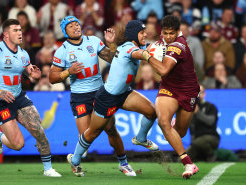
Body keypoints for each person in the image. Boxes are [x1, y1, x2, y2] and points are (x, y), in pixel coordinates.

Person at [65, 19, 159, 177]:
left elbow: (148, 47)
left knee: (151, 111)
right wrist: (148, 54)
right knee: (92, 133)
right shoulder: (130, 48)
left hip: (124, 93)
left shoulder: (134, 45)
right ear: (133, 35)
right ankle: (75, 160)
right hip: (107, 98)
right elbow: (138, 53)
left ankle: (140, 139)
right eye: (142, 33)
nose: (145, 35)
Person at [49, 16, 137, 177]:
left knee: (111, 129)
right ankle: (76, 160)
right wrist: (69, 71)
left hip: (100, 93)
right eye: (71, 26)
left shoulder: (94, 41)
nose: (76, 27)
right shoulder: (62, 51)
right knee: (87, 138)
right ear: (65, 32)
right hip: (79, 97)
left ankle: (123, 163)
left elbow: (113, 58)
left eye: (77, 24)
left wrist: (111, 43)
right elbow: (52, 78)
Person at [0, 19, 61, 177]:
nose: (20, 33)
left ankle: (48, 169)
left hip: (19, 98)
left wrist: (34, 76)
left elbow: (29, 73)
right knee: (18, 144)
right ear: (6, 34)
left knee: (39, 130)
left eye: (20, 30)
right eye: (15, 30)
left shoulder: (23, 53)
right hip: (0, 102)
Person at [136, 15, 200, 179]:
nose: (169, 37)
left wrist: (147, 56)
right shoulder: (162, 41)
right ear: (161, 32)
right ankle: (188, 163)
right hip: (169, 88)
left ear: (178, 32)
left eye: (172, 33)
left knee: (180, 132)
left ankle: (172, 127)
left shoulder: (178, 45)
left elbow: (163, 70)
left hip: (188, 90)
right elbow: (149, 46)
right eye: (166, 33)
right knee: (163, 122)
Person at [187, 85, 220, 162]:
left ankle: (210, 154)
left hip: (211, 137)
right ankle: (200, 158)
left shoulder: (211, 106)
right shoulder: (190, 108)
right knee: (183, 159)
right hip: (196, 141)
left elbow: (210, 122)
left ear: (204, 94)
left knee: (199, 142)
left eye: (200, 93)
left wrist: (198, 112)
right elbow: (191, 128)